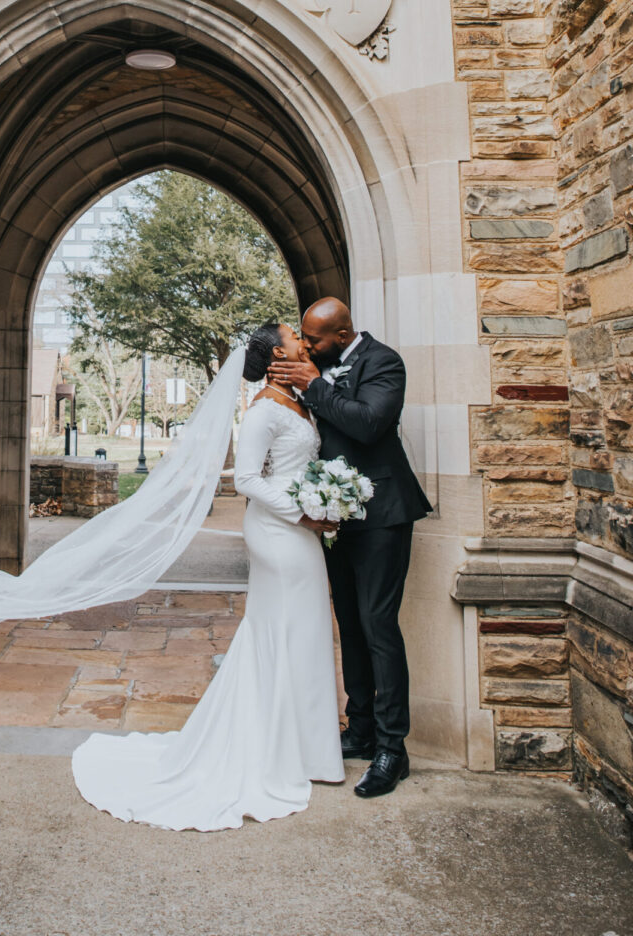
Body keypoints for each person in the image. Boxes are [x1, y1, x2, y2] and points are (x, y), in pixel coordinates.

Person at [71, 321, 344, 830]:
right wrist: (302, 512)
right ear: (276, 357)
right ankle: (277, 752)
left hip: (301, 532)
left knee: (302, 635)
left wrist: (326, 498)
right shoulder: (263, 410)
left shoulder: (301, 401)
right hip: (279, 533)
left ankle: (308, 751)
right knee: (284, 631)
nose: (304, 343)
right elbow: (246, 479)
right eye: (294, 338)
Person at [268, 298, 431, 799]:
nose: (307, 345)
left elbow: (367, 423)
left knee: (379, 625)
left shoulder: (384, 362)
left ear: (342, 335)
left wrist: (312, 384)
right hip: (336, 517)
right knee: (350, 625)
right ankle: (358, 727)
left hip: (383, 515)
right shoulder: (321, 365)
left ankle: (392, 747)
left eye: (314, 339)